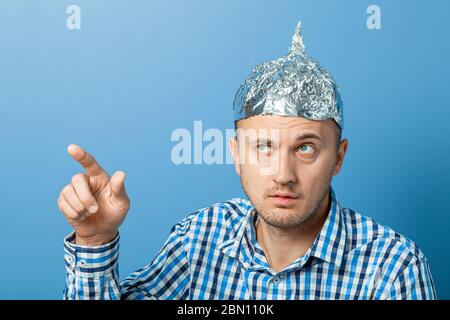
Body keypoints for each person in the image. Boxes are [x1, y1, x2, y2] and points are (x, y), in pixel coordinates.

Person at [58, 22, 436, 299]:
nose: (283, 175)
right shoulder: (200, 238)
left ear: (338, 157)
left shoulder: (392, 269)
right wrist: (95, 239)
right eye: (263, 147)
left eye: (305, 148)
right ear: (237, 155)